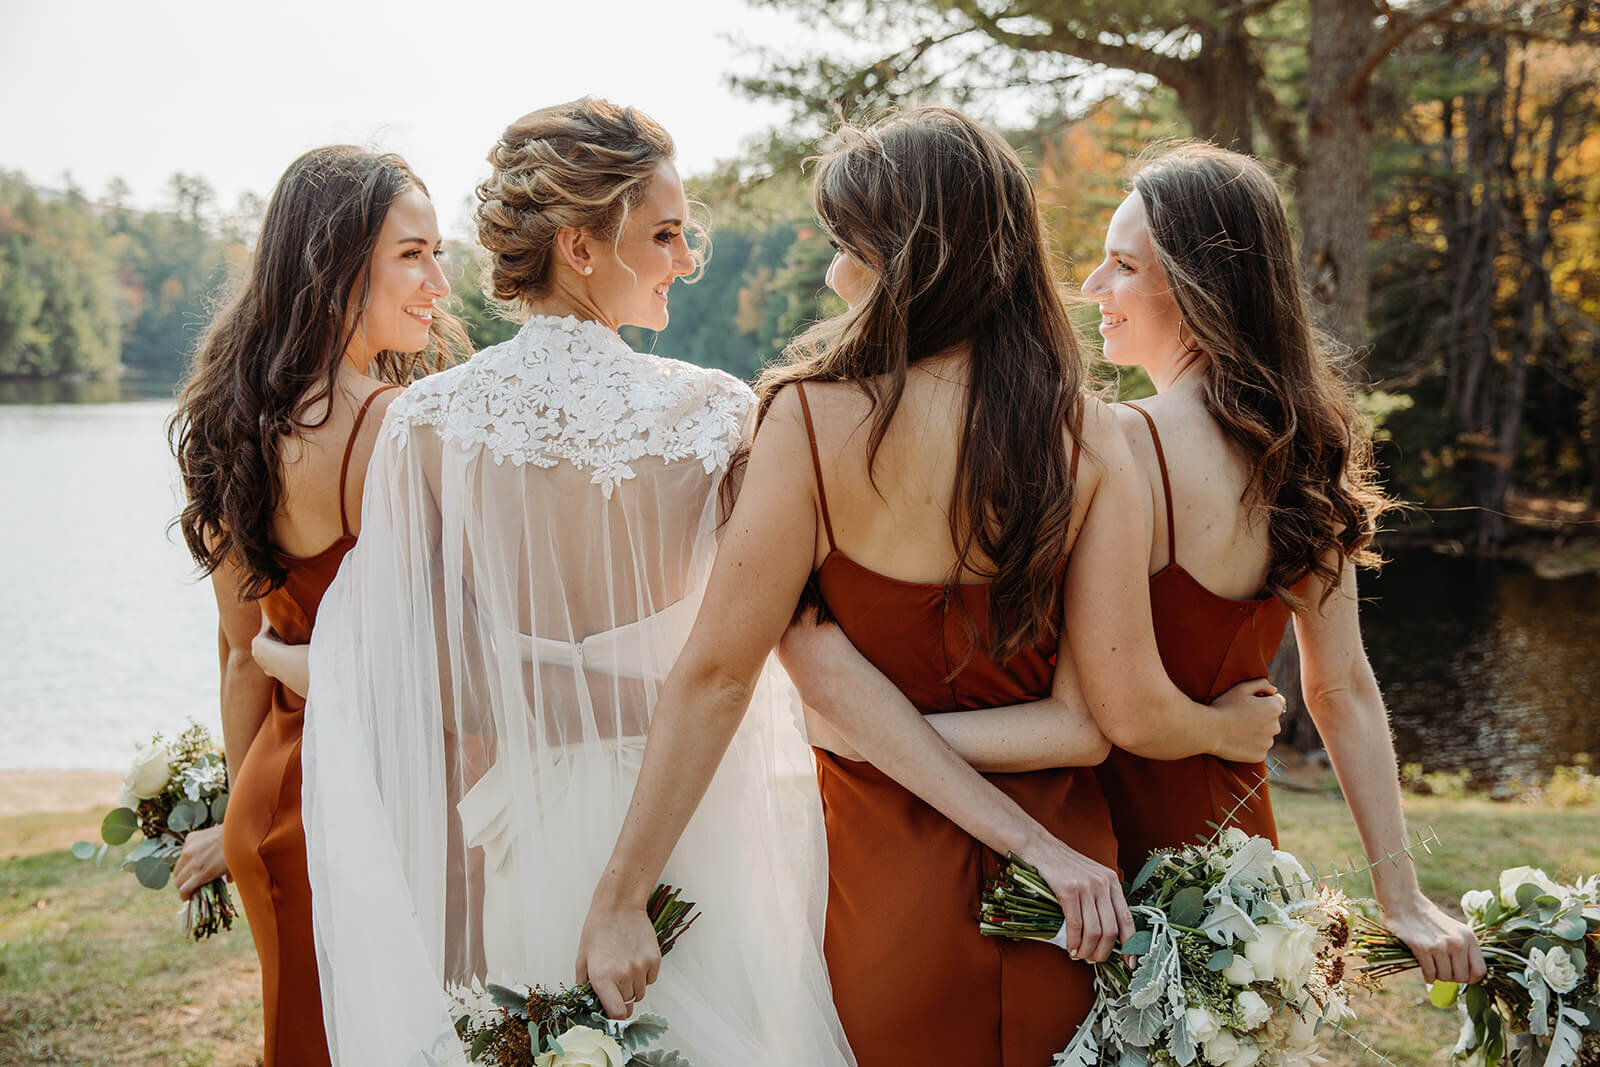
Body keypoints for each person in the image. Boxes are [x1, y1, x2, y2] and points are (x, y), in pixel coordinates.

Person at [576, 108, 1286, 1067]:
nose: (834, 274)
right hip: (1066, 899)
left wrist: (624, 895)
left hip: (878, 878)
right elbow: (1089, 722)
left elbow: (715, 678)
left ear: (905, 255)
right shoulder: (1091, 437)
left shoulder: (808, 424)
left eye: (845, 244)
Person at [787, 141, 1486, 990]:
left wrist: (874, 734)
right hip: (1241, 853)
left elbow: (1122, 712)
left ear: (1198, 286)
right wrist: (1400, 892)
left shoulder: (1120, 440)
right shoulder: (1306, 451)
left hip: (1122, 857)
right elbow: (1343, 691)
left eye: (1121, 266)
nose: (1090, 289)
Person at [271, 99, 854, 1065]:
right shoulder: (717, 415)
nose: (687, 258)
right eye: (665, 234)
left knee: (552, 1037)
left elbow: (426, 677)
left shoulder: (427, 424)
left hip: (530, 820)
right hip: (692, 807)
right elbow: (763, 656)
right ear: (581, 247)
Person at [168, 145, 465, 1067]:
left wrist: (237, 817)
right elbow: (444, 657)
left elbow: (237, 652)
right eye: (413, 254)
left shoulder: (233, 424)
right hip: (386, 803)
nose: (441, 283)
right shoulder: (388, 429)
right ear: (339, 265)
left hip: (277, 800)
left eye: (438, 252)